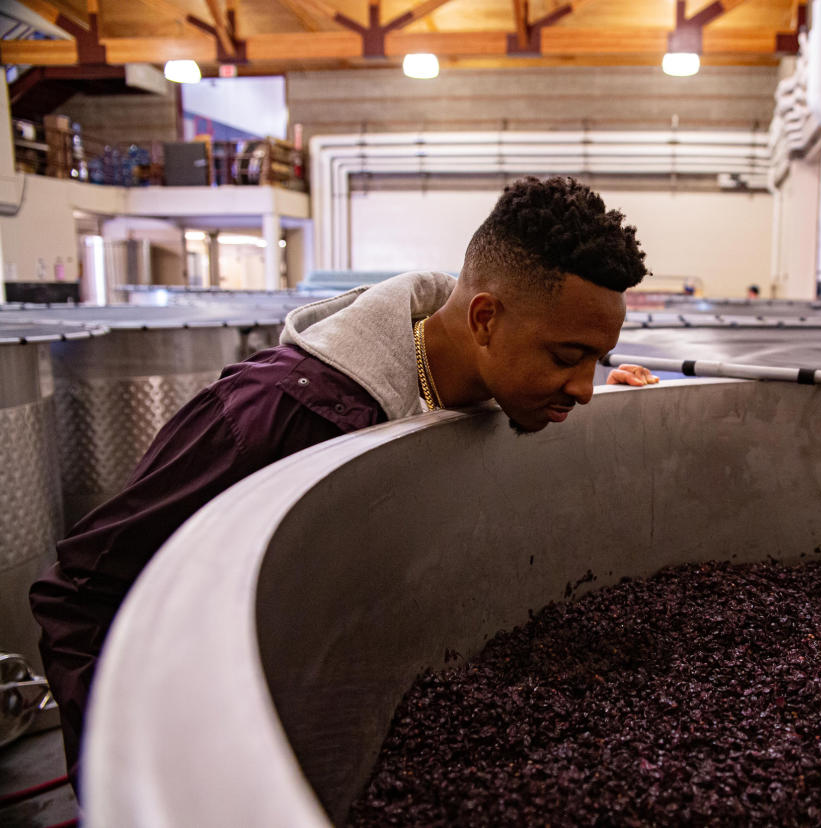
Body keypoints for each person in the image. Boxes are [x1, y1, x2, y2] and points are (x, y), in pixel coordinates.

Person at [28, 176, 659, 783]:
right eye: (565, 356)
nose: (582, 386)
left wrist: (597, 386)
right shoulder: (273, 414)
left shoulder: (492, 384)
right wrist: (135, 784)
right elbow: (83, 593)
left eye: (595, 361)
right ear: (486, 320)